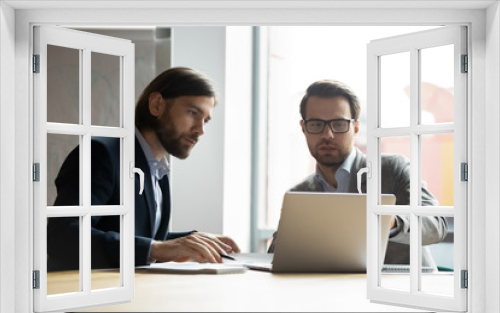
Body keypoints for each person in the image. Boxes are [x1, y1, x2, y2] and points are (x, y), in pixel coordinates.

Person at [48, 67, 240, 271]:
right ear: (156, 105)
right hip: (83, 293)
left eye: (206, 120)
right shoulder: (101, 153)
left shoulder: (157, 170)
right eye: (193, 113)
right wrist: (158, 248)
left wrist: (192, 241)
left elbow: (143, 238)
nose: (200, 129)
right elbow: (63, 236)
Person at [268, 80, 447, 269]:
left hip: (400, 292)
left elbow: (436, 225)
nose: (327, 134)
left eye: (338, 124)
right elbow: (277, 256)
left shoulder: (392, 169)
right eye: (316, 124)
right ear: (304, 128)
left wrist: (388, 220)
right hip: (331, 293)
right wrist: (236, 257)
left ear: (355, 128)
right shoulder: (299, 194)